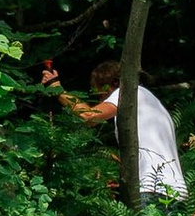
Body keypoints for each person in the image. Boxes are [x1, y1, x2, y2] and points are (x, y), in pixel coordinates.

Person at [48, 57, 187, 204]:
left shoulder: (128, 94)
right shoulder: (150, 102)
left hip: (153, 190)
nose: (100, 99)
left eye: (99, 91)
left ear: (109, 85)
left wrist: (57, 89)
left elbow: (89, 116)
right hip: (175, 191)